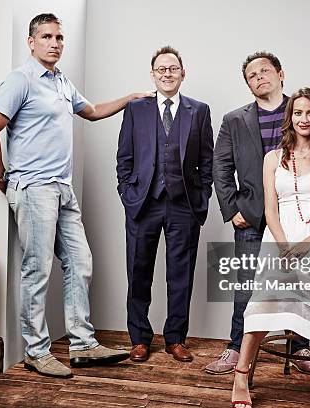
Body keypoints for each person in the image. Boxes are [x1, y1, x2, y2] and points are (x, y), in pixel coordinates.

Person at [0, 13, 151, 378]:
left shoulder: (60, 81)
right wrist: (1, 175)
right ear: (31, 42)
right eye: (47, 37)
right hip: (35, 187)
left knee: (80, 262)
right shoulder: (20, 80)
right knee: (37, 270)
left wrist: (131, 97)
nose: (55, 43)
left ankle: (83, 345)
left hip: (62, 189)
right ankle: (35, 351)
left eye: (59, 37)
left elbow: (91, 112)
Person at [207, 52, 310, 375]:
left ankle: (301, 345)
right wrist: (231, 208)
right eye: (252, 74)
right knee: (248, 284)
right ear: (248, 84)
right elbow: (220, 166)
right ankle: (236, 347)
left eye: (265, 70)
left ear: (281, 74)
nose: (259, 76)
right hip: (251, 216)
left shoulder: (304, 110)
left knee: (302, 282)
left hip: (298, 215)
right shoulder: (234, 119)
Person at [230, 88, 310, 408]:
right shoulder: (274, 158)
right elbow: (270, 210)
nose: (304, 119)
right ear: (290, 117)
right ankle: (241, 375)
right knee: (261, 304)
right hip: (281, 237)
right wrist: (286, 247)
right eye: (298, 113)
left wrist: (305, 247)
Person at [116, 46, 213, 363]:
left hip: (183, 205)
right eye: (161, 69)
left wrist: (201, 198)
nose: (167, 73)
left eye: (173, 68)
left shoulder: (198, 111)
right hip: (143, 204)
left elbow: (207, 162)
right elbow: (124, 158)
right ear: (153, 74)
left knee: (180, 276)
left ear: (183, 73)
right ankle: (139, 338)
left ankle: (175, 339)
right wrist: (128, 194)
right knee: (138, 272)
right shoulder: (136, 109)